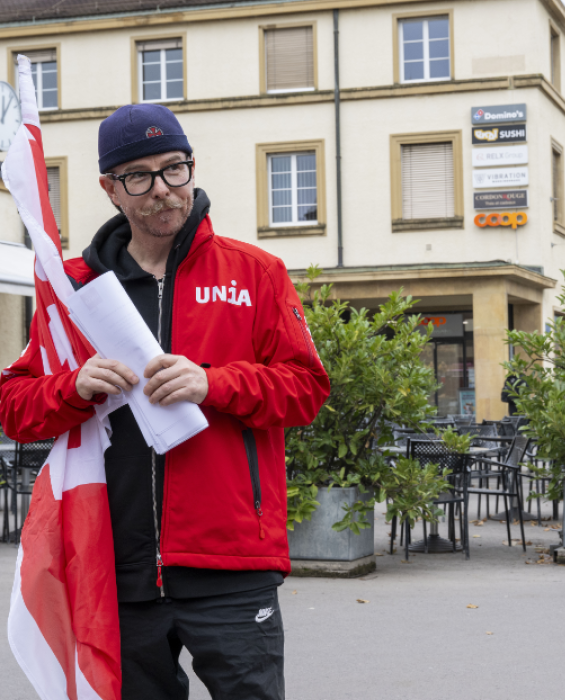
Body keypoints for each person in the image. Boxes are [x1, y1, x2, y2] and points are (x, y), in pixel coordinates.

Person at [0, 103, 330, 700]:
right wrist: (69, 389)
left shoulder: (257, 273)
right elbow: (14, 405)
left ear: (191, 168)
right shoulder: (72, 289)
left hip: (231, 564)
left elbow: (306, 388)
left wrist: (216, 383)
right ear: (110, 188)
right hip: (114, 564)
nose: (163, 190)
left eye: (175, 169)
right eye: (139, 176)